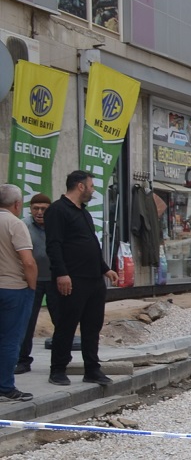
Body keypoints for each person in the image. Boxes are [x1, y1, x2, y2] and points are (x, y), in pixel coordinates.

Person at [45, 170, 118, 387]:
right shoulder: (57, 210)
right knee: (67, 325)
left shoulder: (84, 213)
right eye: (91, 186)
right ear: (80, 186)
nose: (93, 190)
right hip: (72, 278)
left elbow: (91, 244)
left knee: (92, 326)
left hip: (94, 279)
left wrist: (105, 269)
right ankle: (57, 369)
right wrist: (61, 273)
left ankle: (92, 369)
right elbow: (54, 245)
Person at [0, 184, 38, 402]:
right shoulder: (15, 224)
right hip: (13, 288)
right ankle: (5, 386)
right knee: (10, 339)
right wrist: (31, 286)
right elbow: (28, 261)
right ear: (17, 204)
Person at [14, 194, 51, 375]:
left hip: (55, 280)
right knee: (27, 322)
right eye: (36, 208)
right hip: (31, 281)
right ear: (30, 209)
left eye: (44, 209)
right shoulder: (23, 225)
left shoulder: (57, 225)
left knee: (61, 320)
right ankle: (23, 360)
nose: (39, 212)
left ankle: (60, 361)